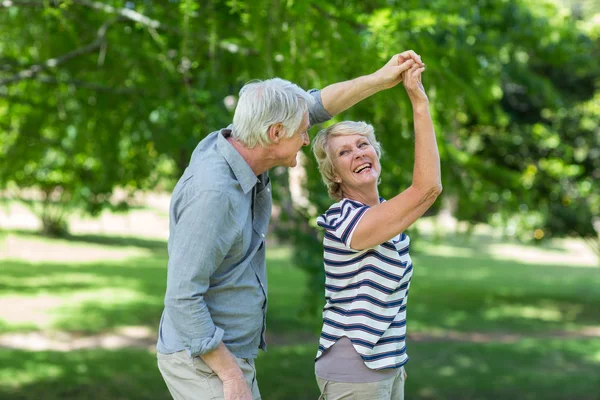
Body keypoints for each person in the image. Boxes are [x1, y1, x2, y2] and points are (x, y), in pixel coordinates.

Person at [156, 50, 425, 400]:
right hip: (202, 358)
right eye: (301, 131)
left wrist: (379, 78)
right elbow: (181, 297)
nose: (306, 137)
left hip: (227, 353)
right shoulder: (215, 193)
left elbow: (316, 105)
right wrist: (231, 376)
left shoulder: (243, 143)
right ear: (274, 133)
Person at [311, 61, 441, 399]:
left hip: (386, 366)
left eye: (362, 144)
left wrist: (395, 363)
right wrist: (418, 101)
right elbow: (427, 187)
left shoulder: (384, 215)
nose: (358, 153)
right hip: (354, 371)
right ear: (335, 174)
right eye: (344, 152)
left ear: (376, 154)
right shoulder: (342, 218)